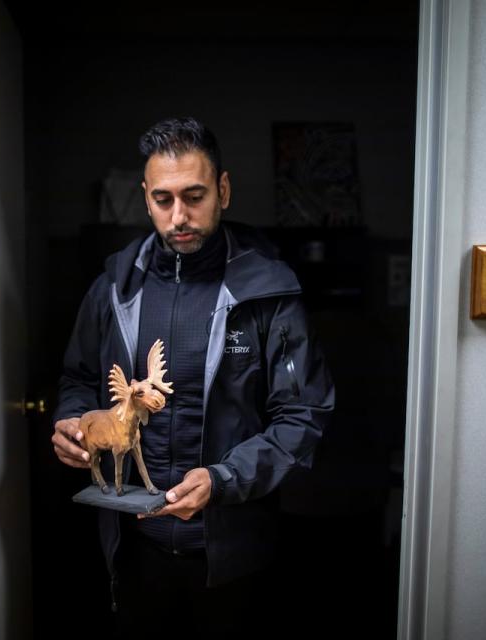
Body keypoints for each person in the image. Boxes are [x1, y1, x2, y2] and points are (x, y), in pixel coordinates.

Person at [51, 116, 335, 635]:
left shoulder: (268, 293)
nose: (178, 216)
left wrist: (222, 480)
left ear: (223, 191)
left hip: (232, 556)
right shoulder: (115, 288)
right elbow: (78, 377)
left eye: (195, 195)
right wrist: (72, 423)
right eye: (163, 199)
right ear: (145, 197)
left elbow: (303, 415)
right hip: (134, 548)